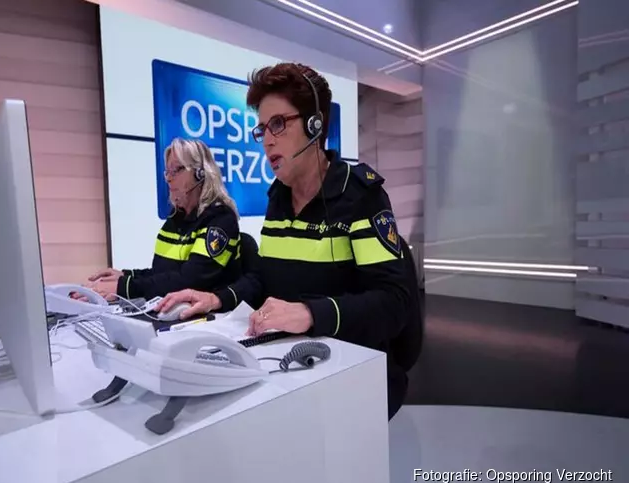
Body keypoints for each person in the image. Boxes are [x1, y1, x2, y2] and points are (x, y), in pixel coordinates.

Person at [156, 63, 423, 419]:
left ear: (315, 125)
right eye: (262, 129)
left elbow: (394, 302)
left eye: (279, 124)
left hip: (352, 370)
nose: (267, 140)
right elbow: (263, 278)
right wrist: (216, 297)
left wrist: (310, 313)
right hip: (290, 363)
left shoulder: (359, 195)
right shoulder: (278, 198)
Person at [87, 138, 242, 300]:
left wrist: (123, 287)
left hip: (214, 314)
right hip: (174, 310)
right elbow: (163, 275)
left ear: (200, 174)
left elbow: (190, 281)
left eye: (176, 170)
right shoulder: (176, 218)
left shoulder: (221, 220)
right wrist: (125, 275)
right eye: (167, 171)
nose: (168, 178)